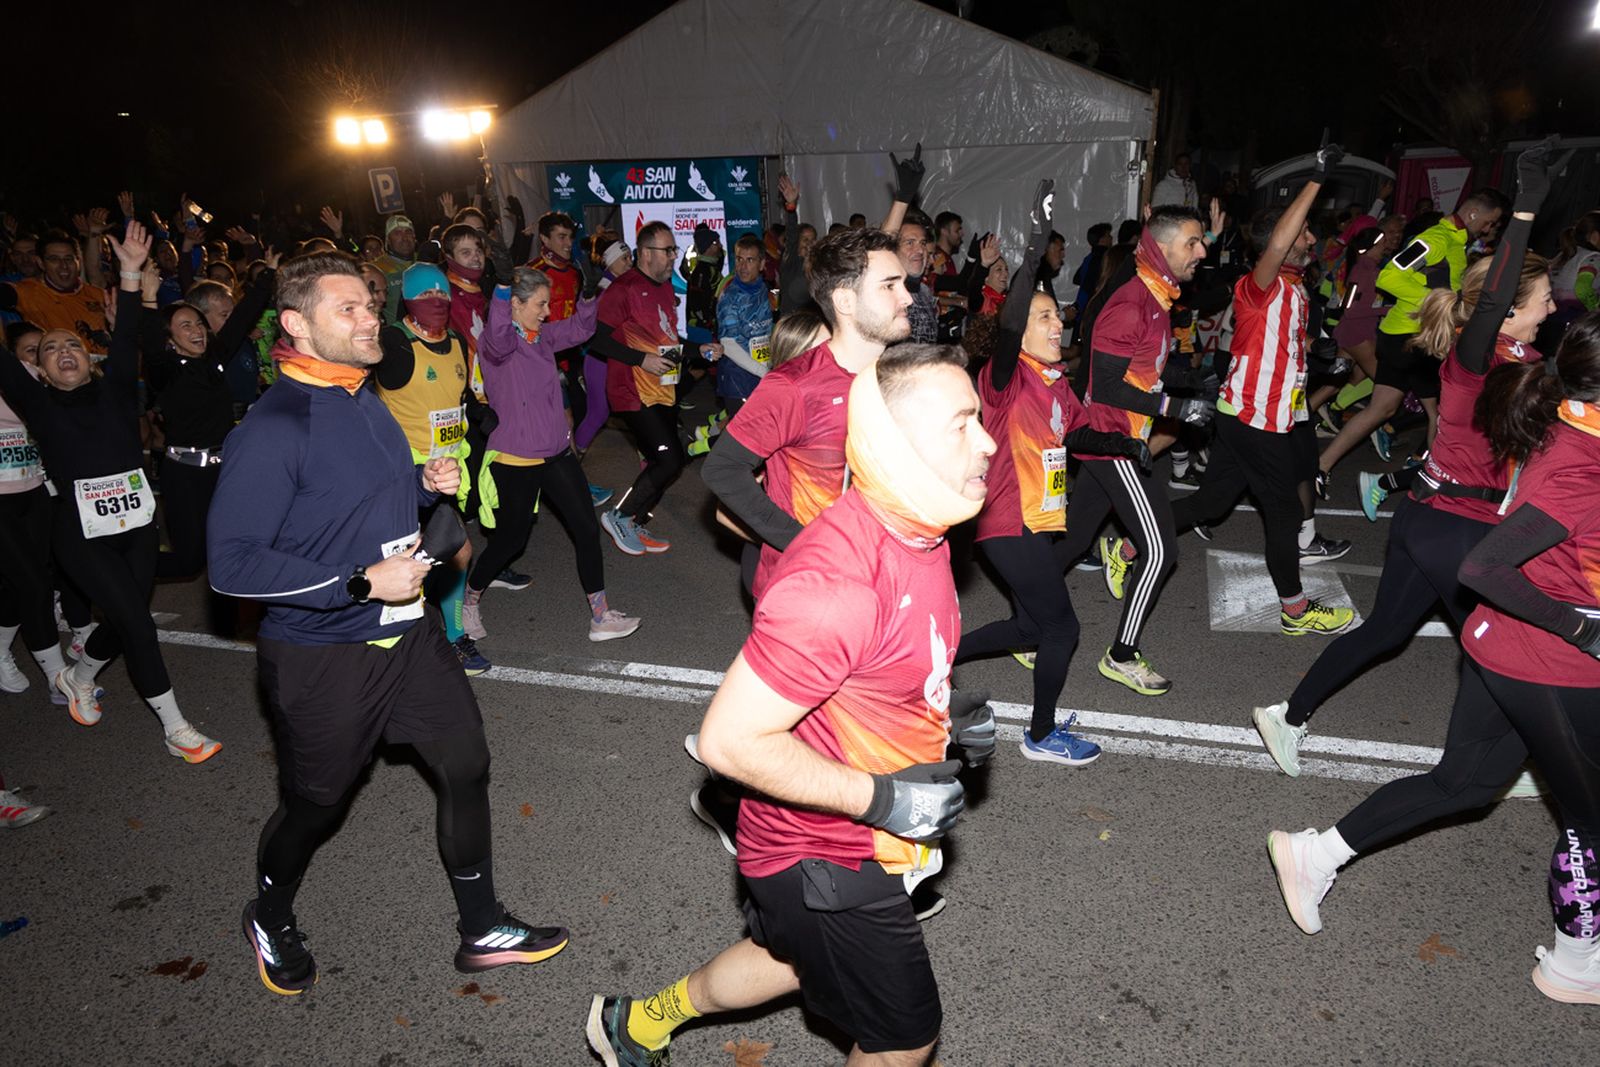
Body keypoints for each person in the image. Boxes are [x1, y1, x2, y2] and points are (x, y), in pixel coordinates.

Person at [587, 343, 997, 1067]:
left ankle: (637, 1023)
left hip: (839, 846)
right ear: (895, 445)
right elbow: (729, 743)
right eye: (962, 423)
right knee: (905, 1036)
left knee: (788, 959)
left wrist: (941, 704)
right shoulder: (837, 581)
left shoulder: (920, 532)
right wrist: (883, 798)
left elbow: (870, 666)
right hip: (827, 853)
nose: (989, 440)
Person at [207, 250, 567, 996]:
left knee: (465, 761)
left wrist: (418, 483)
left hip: (407, 635)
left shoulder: (360, 394)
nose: (371, 318)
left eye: (371, 305)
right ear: (298, 325)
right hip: (322, 655)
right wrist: (358, 580)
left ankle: (481, 925)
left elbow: (345, 498)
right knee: (316, 803)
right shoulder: (273, 426)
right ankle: (269, 909)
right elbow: (231, 565)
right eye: (350, 309)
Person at [1268, 304, 1600, 1006]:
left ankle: (1316, 853)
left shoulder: (1572, 430)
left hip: (1504, 649)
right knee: (1589, 813)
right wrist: (1582, 629)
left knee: (1467, 785)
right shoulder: (1578, 460)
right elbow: (1484, 567)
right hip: (1544, 659)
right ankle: (1576, 960)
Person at [1252, 141, 1564, 776]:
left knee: (1384, 633)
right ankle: (1489, 770)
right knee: (1503, 648)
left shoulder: (1529, 363)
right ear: (1507, 310)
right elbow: (1500, 291)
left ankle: (1286, 715)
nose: (1552, 306)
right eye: (1542, 299)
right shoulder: (1476, 358)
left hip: (1427, 519)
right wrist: (1527, 209)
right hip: (1458, 527)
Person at [0, 222, 219, 762]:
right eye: (49, 350)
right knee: (138, 625)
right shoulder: (39, 406)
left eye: (72, 343)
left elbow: (123, 341)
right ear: (40, 373)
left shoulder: (118, 389)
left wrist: (127, 273)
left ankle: (79, 673)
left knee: (126, 621)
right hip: (81, 536)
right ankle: (176, 729)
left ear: (88, 356)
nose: (63, 351)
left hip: (139, 528)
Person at [955, 180, 1137, 765]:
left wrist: (1126, 446)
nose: (1056, 324)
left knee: (1031, 628)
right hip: (1008, 522)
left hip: (1037, 519)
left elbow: (1076, 434)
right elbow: (1008, 324)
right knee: (1064, 629)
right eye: (1043, 317)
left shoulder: (1057, 384)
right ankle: (1040, 734)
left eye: (1057, 314)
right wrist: (1034, 246)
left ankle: (939, 654)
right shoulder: (1004, 378)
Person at [1168, 144, 1358, 636]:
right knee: (1285, 510)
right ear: (1282, 239)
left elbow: (1289, 339)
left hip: (1254, 415)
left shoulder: (1294, 289)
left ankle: (1127, 545)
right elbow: (1278, 244)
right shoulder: (1259, 285)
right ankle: (1295, 610)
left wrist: (1319, 350)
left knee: (1212, 505)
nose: (1312, 239)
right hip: (1254, 417)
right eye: (1305, 232)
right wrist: (1316, 179)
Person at [1053, 206, 1210, 696]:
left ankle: (1028, 619)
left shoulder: (1157, 297)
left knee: (1074, 541)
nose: (1202, 251)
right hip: (1113, 439)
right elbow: (1105, 386)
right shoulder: (1133, 301)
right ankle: (1120, 655)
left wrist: (1191, 382)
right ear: (1161, 247)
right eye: (1193, 242)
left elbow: (1146, 370)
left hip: (1123, 435)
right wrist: (1176, 408)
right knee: (1160, 551)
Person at [466, 267, 640, 643]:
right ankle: (470, 598)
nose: (547, 312)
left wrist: (593, 293)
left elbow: (580, 329)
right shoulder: (497, 345)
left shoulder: (541, 337)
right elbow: (496, 333)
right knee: (511, 541)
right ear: (515, 304)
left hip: (556, 452)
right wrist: (498, 288)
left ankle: (600, 616)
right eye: (540, 304)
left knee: (586, 529)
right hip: (516, 456)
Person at [1316, 189, 1509, 480]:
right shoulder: (1435, 239)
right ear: (1473, 214)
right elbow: (1389, 276)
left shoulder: (1457, 243)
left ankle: (1320, 466)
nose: (1491, 229)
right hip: (1414, 340)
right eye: (1491, 222)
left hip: (1405, 337)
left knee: (1382, 408)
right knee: (1441, 413)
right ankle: (1432, 480)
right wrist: (1439, 303)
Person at [373, 262, 489, 673]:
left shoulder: (456, 340)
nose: (436, 301)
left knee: (435, 554)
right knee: (455, 551)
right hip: (406, 474)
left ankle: (419, 638)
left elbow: (459, 397)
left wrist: (480, 415)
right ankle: (448, 639)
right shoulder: (394, 342)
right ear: (406, 300)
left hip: (447, 470)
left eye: (442, 294)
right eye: (425, 295)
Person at [592, 221, 716, 556]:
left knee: (667, 460)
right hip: (631, 391)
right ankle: (619, 516)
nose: (675, 256)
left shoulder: (663, 289)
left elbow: (668, 341)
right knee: (670, 459)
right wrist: (639, 359)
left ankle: (634, 521)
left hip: (663, 388)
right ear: (646, 253)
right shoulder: (623, 289)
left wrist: (698, 351)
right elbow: (597, 339)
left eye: (674, 249)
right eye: (669, 250)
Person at [0, 229, 108, 353]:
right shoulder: (29, 292)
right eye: (54, 259)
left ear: (78, 261)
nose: (63, 265)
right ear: (41, 263)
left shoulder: (98, 294)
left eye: (68, 259)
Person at [372, 215, 417, 320]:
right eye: (397, 233)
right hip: (396, 332)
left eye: (408, 232)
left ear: (414, 237)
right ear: (388, 239)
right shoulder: (377, 268)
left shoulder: (425, 261)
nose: (404, 238)